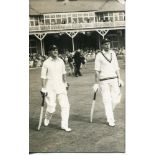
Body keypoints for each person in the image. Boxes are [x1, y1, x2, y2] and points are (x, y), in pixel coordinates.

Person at [93, 38, 124, 127]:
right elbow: (97, 70)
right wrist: (96, 83)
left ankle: (109, 113)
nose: (108, 45)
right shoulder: (99, 55)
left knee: (116, 100)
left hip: (114, 79)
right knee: (107, 100)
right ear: (102, 45)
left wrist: (119, 79)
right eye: (105, 44)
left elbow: (116, 67)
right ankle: (110, 119)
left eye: (108, 44)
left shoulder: (113, 53)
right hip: (104, 81)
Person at [40, 45, 72, 132]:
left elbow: (63, 73)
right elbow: (43, 76)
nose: (55, 51)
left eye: (56, 50)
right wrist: (43, 88)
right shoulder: (46, 62)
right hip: (50, 87)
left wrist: (65, 83)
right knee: (51, 107)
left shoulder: (61, 61)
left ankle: (64, 125)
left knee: (65, 106)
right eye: (53, 50)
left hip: (61, 86)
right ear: (49, 52)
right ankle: (47, 117)